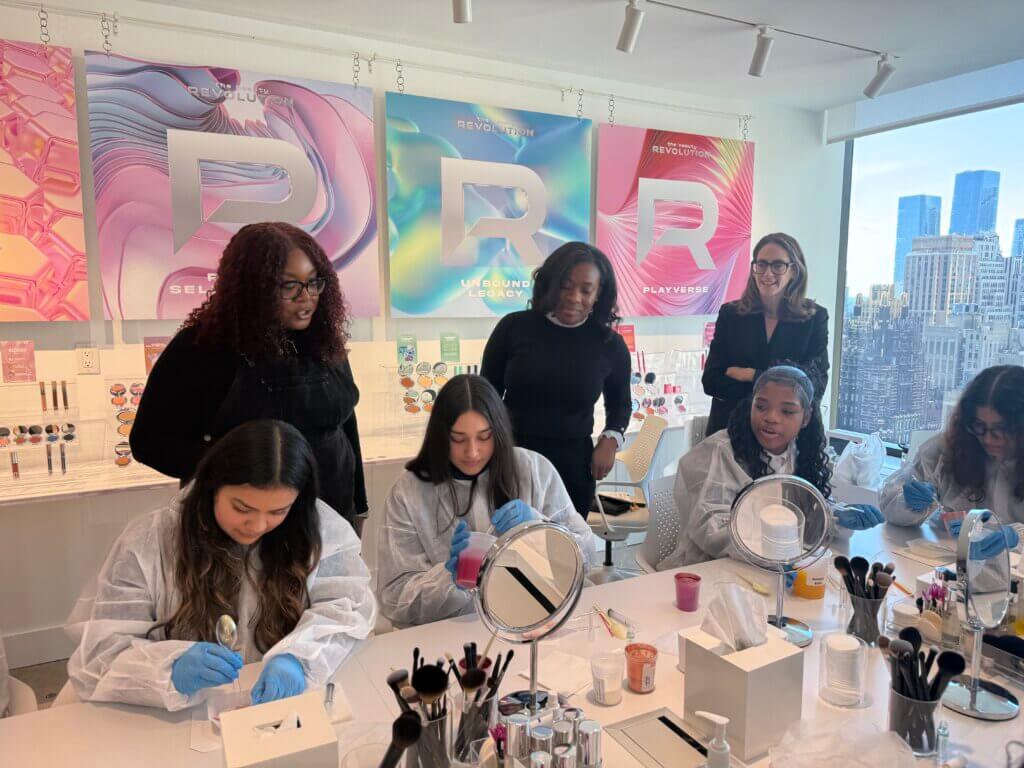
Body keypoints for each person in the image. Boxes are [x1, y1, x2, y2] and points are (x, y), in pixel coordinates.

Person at [66, 420, 376, 711]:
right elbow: (100, 655)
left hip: (274, 708)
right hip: (178, 715)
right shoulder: (150, 542)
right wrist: (167, 668)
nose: (257, 525)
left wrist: (299, 657)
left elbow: (346, 606)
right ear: (212, 486)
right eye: (242, 507)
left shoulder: (320, 530)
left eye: (278, 511)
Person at [131, 222, 367, 523]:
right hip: (245, 527)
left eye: (313, 282)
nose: (306, 297)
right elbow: (150, 441)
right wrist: (229, 468)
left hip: (334, 518)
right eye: (289, 285)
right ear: (253, 286)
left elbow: (346, 429)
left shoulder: (323, 342)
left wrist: (359, 505)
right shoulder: (202, 348)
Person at [376, 375, 597, 628]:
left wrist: (541, 529)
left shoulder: (534, 471)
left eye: (484, 437)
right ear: (440, 436)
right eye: (458, 439)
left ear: (500, 432)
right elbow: (394, 599)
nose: (472, 452)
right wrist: (448, 578)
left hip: (531, 617)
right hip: (449, 630)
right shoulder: (410, 493)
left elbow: (587, 556)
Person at [661, 366, 882, 568]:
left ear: (805, 418)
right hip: (708, 569)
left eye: (787, 411)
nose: (771, 418)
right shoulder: (721, 451)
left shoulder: (800, 453)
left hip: (768, 568)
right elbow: (709, 528)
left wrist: (834, 517)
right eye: (761, 406)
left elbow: (803, 516)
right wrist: (771, 550)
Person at [481, 242, 631, 517]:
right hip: (513, 459)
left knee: (564, 552)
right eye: (565, 285)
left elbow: (620, 405)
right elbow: (485, 395)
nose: (574, 297)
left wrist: (610, 440)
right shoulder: (514, 328)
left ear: (599, 294)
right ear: (550, 284)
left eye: (586, 290)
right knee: (509, 547)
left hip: (573, 466)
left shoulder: (610, 345)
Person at [881, 365, 1024, 553]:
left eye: (1001, 429)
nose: (988, 438)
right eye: (979, 425)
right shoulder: (947, 448)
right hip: (944, 566)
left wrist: (1017, 537)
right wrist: (909, 503)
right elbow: (891, 507)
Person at [702, 233, 829, 435]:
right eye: (761, 264)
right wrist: (784, 392)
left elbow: (815, 384)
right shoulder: (731, 315)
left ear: (794, 270)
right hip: (733, 433)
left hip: (791, 440)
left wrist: (752, 374)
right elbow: (711, 381)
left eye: (778, 265)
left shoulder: (814, 318)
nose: (767, 273)